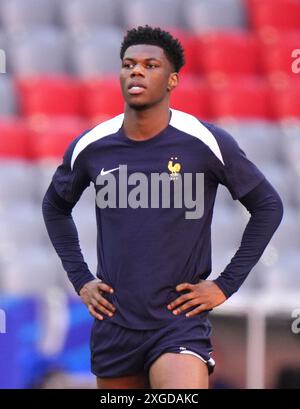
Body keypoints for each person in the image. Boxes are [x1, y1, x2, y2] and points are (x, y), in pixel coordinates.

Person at [42, 25, 283, 389]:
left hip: (178, 321)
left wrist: (225, 285)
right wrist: (81, 280)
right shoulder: (92, 145)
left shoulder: (206, 142)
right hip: (114, 321)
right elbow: (54, 207)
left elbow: (268, 206)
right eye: (128, 64)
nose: (136, 71)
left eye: (150, 65)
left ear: (172, 81)